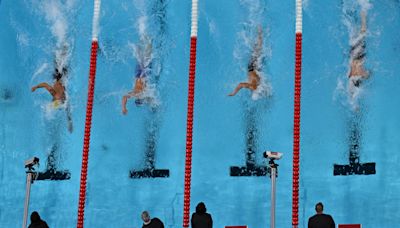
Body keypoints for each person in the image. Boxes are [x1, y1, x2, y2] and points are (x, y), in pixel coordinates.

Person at [31, 65, 73, 133]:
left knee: (60, 67)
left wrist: (35, 87)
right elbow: (45, 85)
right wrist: (35, 87)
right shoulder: (57, 95)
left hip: (59, 82)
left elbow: (45, 84)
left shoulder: (57, 95)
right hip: (59, 83)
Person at [228, 26, 263, 97]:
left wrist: (234, 93)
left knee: (257, 51)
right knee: (258, 50)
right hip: (252, 67)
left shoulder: (258, 86)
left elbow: (242, 84)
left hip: (253, 68)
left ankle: (258, 35)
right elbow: (241, 84)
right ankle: (259, 34)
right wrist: (234, 93)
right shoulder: (253, 87)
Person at [122, 36, 153, 114]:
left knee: (147, 57)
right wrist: (123, 107)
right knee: (139, 58)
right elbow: (124, 97)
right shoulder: (135, 94)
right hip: (137, 75)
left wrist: (124, 108)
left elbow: (150, 98)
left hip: (143, 75)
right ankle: (140, 40)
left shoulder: (140, 94)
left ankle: (149, 40)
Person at [348, 10, 368, 87]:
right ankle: (355, 15)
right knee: (356, 32)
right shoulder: (351, 74)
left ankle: (363, 13)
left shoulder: (359, 73)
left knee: (362, 33)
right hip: (353, 54)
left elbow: (368, 74)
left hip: (357, 54)